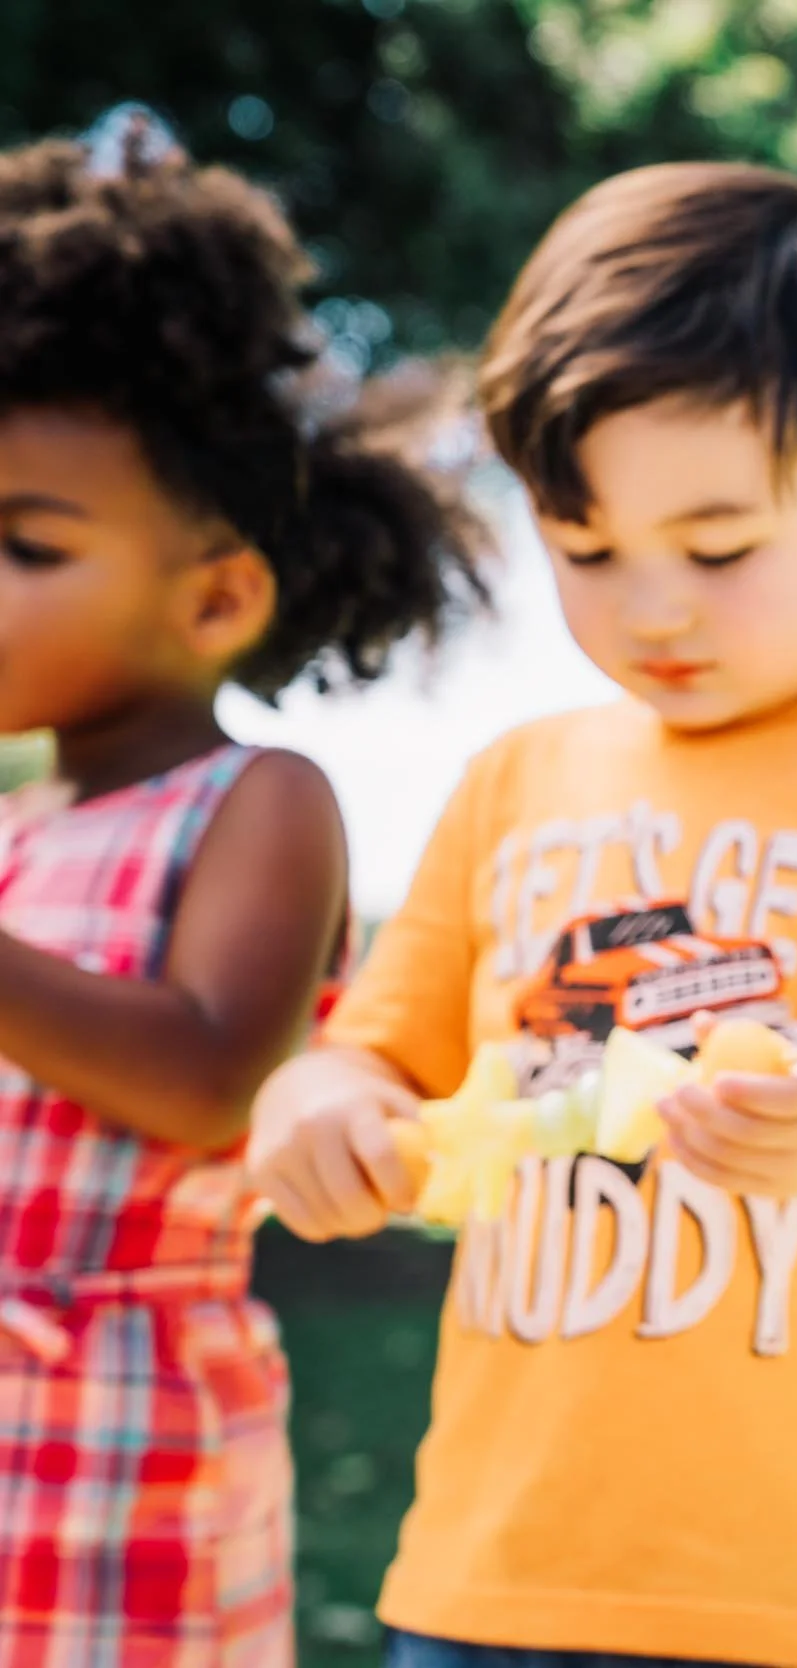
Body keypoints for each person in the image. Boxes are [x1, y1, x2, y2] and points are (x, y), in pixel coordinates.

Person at [246, 163, 797, 1668]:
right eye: (585, 546)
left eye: (719, 546)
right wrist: (317, 1106)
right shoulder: (514, 780)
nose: (654, 609)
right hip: (480, 1590)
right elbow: (373, 1058)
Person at [0, 108, 484, 1665]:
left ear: (214, 595)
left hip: (127, 1425)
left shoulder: (257, 800)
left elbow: (214, 1079)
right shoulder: (22, 822)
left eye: (24, 545)